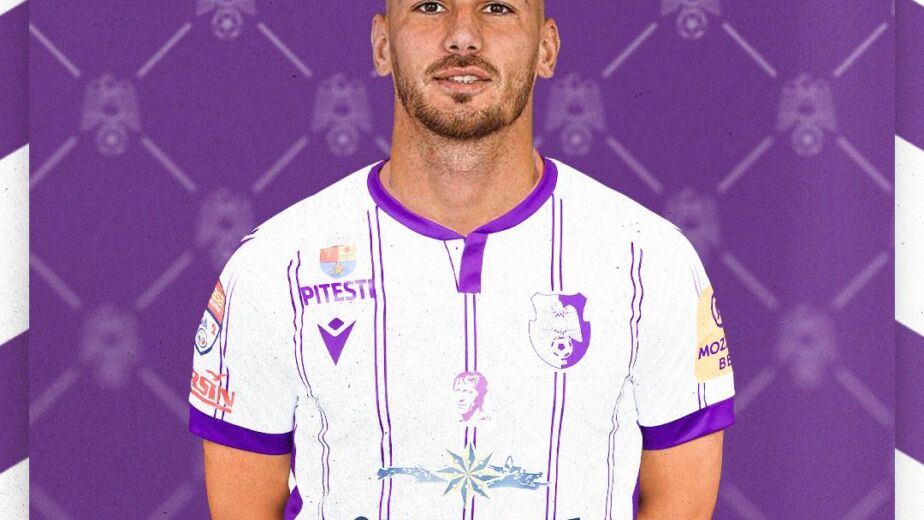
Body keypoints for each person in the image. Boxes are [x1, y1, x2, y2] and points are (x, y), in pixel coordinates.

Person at [187, 1, 736, 518]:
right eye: (430, 6)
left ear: (546, 50)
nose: (463, 37)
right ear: (382, 45)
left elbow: (681, 504)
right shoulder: (275, 266)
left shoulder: (649, 261)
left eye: (498, 8)